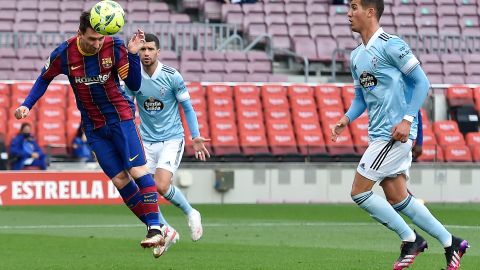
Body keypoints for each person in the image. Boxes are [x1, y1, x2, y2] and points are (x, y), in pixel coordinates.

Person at [331, 1, 469, 269]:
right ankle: (451, 241)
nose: (348, 13)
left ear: (370, 12)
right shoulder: (356, 55)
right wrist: (346, 119)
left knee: (359, 192)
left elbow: (422, 82)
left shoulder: (391, 44)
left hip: (394, 134)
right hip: (379, 134)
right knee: (397, 198)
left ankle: (410, 239)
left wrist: (407, 119)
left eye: (354, 7)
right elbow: (361, 97)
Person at [14, 11, 166, 253]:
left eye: (100, 39)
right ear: (79, 34)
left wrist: (133, 55)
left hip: (121, 118)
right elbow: (44, 78)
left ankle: (156, 229)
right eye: (92, 39)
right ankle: (156, 227)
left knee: (137, 171)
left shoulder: (114, 46)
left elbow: (135, 85)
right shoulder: (64, 53)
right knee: (119, 180)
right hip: (93, 127)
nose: (97, 43)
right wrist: (26, 104)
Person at [125, 33, 210, 258]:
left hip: (172, 138)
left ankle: (191, 213)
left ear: (158, 52)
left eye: (150, 49)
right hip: (147, 141)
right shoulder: (133, 77)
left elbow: (188, 108)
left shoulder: (172, 76)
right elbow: (126, 106)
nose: (146, 53)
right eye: (142, 50)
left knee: (161, 186)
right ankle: (165, 231)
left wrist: (196, 136)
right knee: (146, 191)